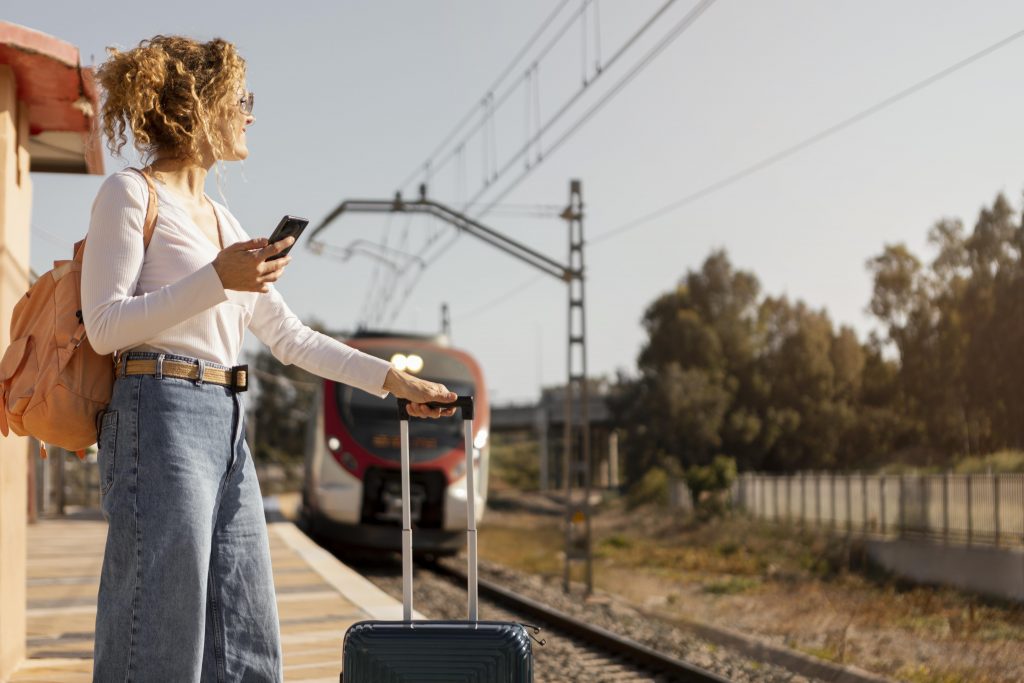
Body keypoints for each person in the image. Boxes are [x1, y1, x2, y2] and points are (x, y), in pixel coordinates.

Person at [82, 35, 455, 682]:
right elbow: (105, 328)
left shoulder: (225, 223)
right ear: (198, 105)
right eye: (240, 98)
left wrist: (391, 379)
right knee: (161, 636)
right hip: (157, 415)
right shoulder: (131, 195)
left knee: (248, 638)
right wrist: (217, 280)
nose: (250, 113)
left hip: (227, 420)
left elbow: (291, 338)